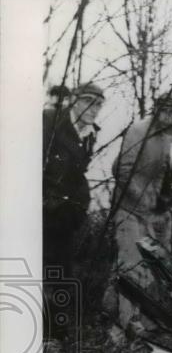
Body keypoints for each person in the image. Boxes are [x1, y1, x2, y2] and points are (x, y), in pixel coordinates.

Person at [108, 93, 172, 334]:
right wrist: (141, 200)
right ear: (156, 110)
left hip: (150, 211)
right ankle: (124, 325)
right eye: (165, 112)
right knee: (131, 263)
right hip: (129, 208)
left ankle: (129, 314)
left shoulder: (166, 137)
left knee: (151, 266)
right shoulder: (139, 130)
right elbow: (122, 169)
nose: (169, 117)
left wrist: (161, 201)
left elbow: (163, 174)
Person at [42, 81, 105, 339]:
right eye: (88, 102)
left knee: (62, 267)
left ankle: (52, 327)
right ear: (75, 101)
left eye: (99, 105)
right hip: (43, 208)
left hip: (67, 214)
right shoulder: (50, 121)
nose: (93, 109)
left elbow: (79, 173)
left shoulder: (90, 133)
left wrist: (81, 204)